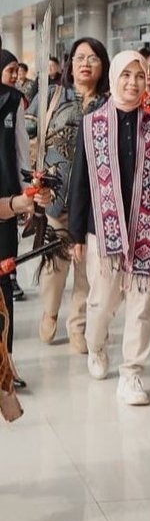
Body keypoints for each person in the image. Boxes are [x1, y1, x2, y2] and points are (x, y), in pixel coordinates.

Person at [68, 50, 150, 405]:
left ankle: (131, 374)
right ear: (113, 78)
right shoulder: (92, 123)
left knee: (142, 304)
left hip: (146, 228)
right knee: (102, 303)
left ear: (148, 81)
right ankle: (96, 347)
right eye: (125, 75)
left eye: (139, 75)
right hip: (103, 231)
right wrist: (75, 234)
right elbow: (80, 182)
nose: (132, 82)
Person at [25, 37, 110, 354]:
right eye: (79, 57)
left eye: (93, 58)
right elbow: (25, 135)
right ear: (70, 64)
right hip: (55, 196)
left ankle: (79, 326)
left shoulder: (110, 104)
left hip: (95, 202)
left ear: (102, 65)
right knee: (54, 266)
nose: (85, 63)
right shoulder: (53, 96)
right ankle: (50, 311)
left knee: (88, 269)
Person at [0, 51, 39, 387]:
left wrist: (28, 199)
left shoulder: (14, 101)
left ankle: (5, 365)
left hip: (6, 203)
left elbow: (21, 151)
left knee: (3, 285)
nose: (13, 75)